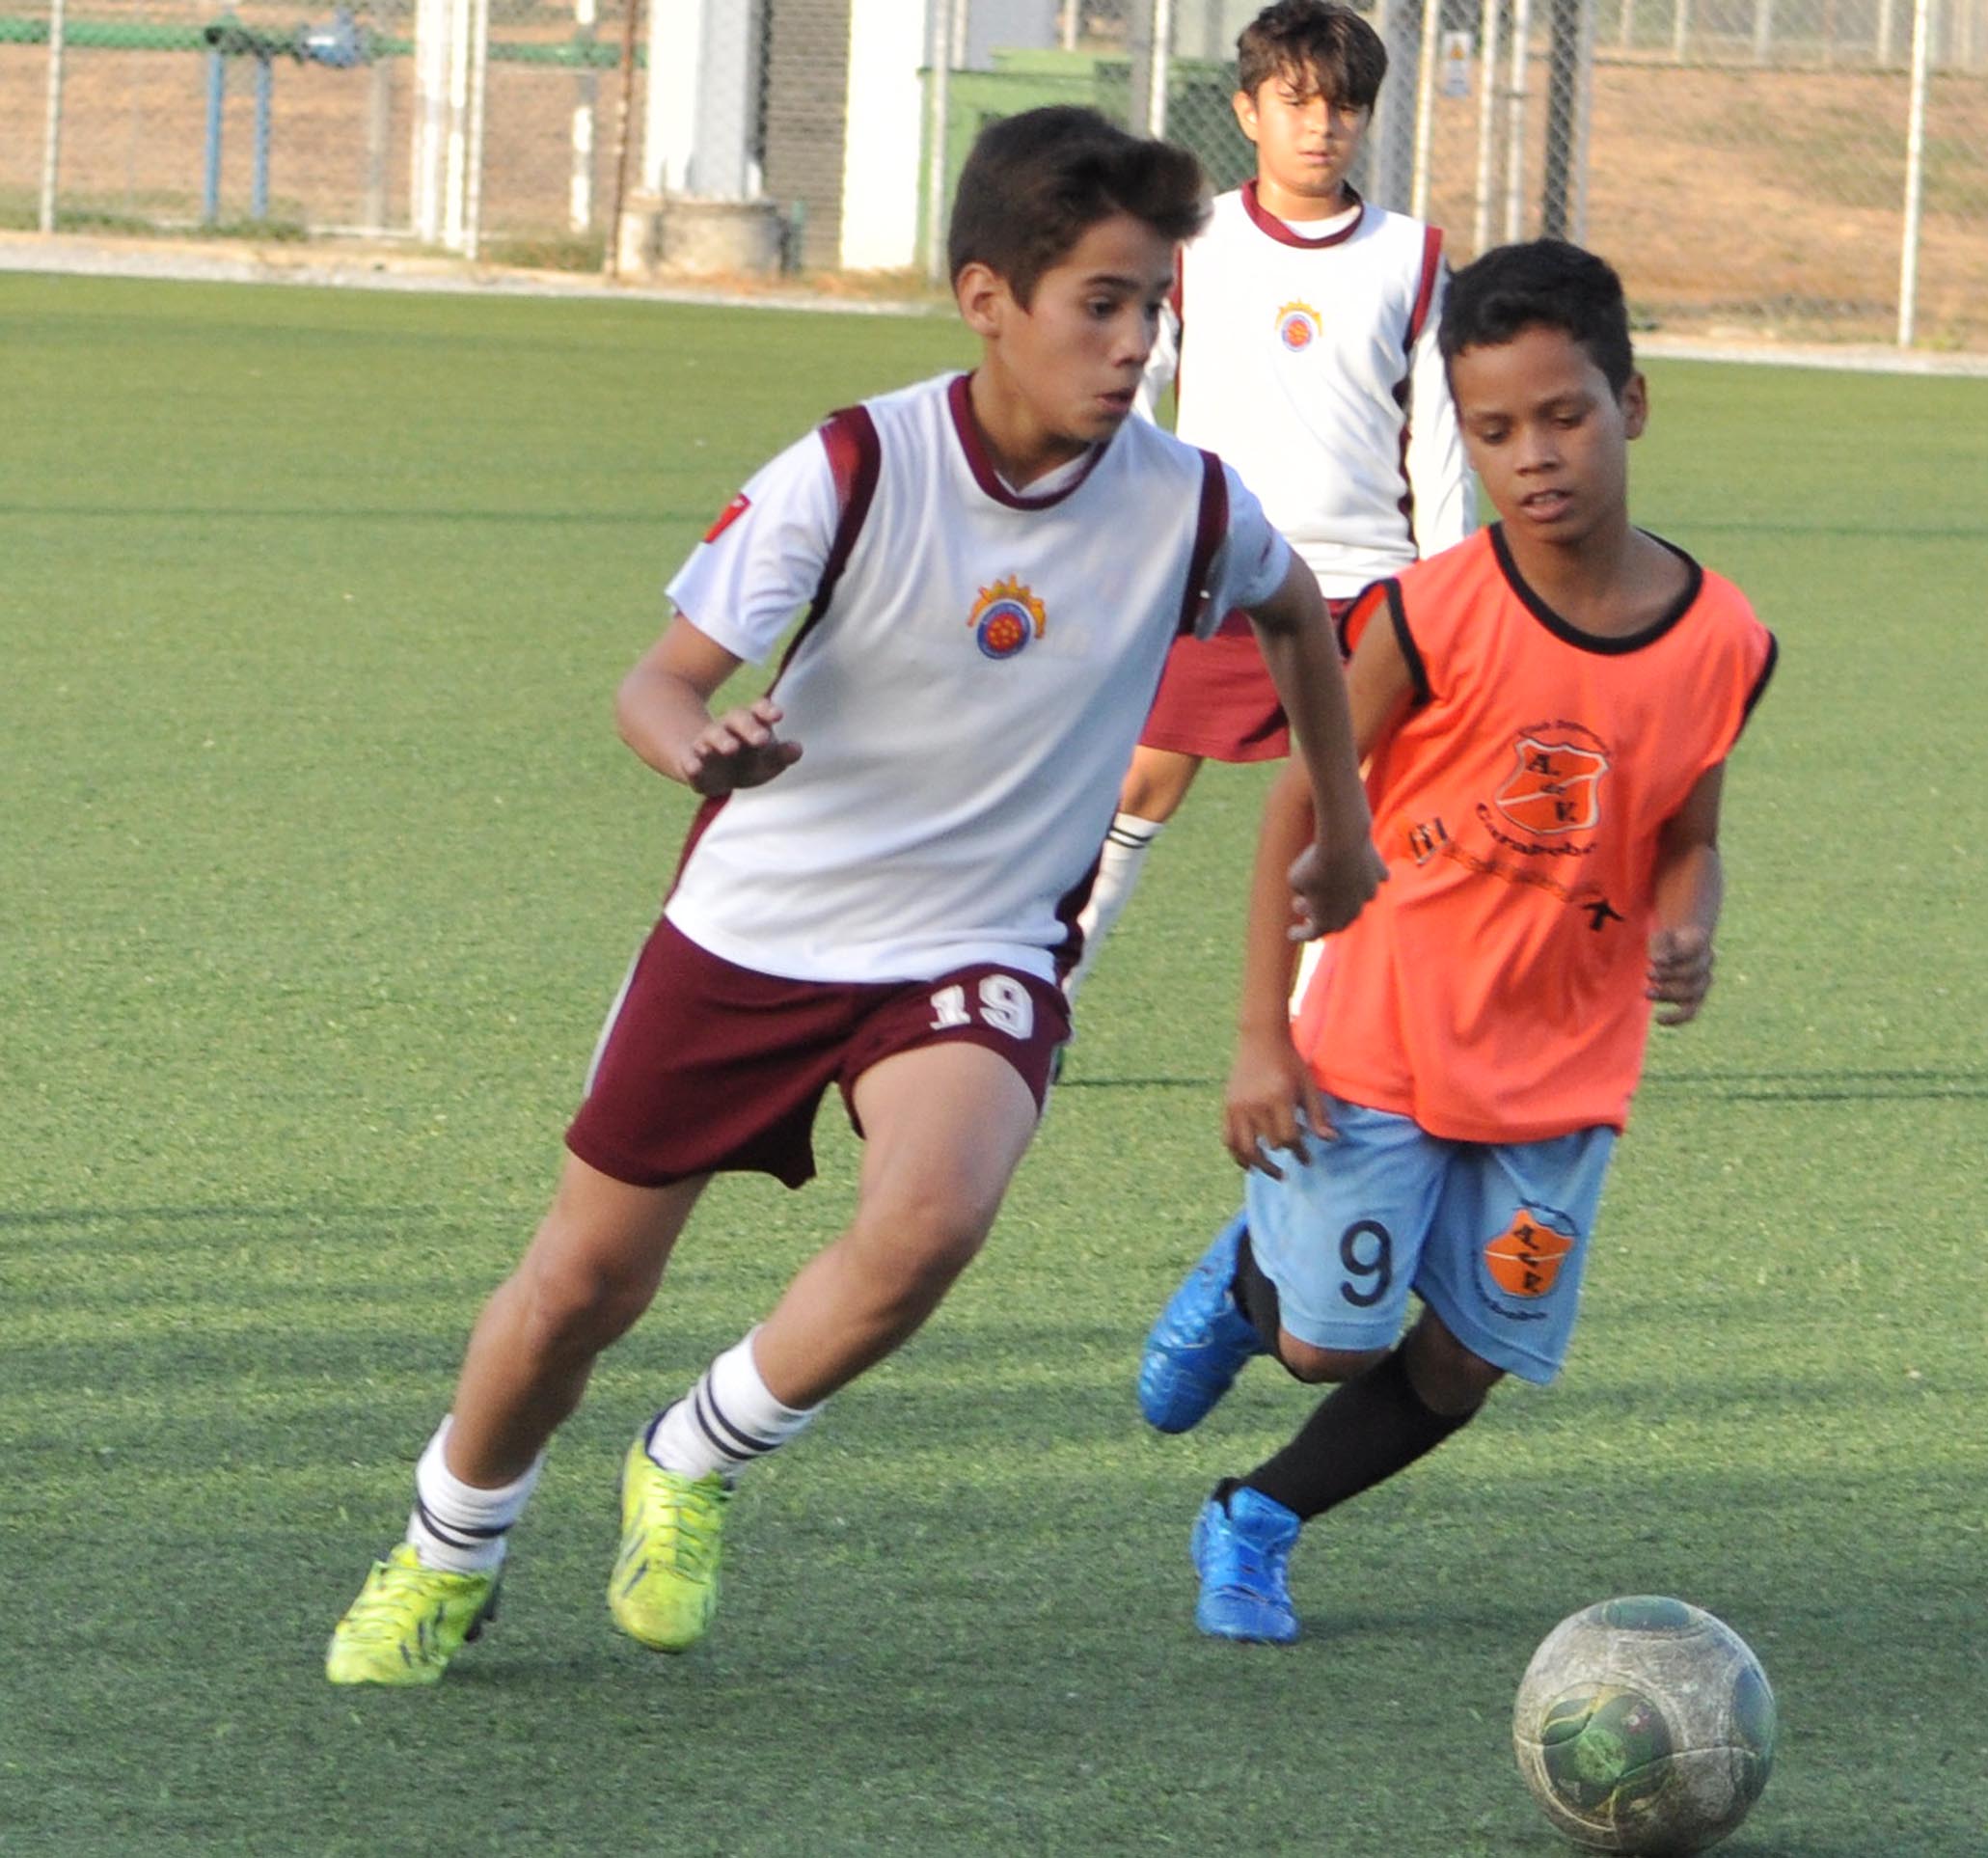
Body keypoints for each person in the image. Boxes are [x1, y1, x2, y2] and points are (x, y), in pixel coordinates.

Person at [322, 105, 1382, 1686]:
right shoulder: (852, 464)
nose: (1135, 345)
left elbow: (1304, 620)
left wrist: (1343, 828)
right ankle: (446, 1549)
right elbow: (656, 681)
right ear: (987, 298)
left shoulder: (1189, 504)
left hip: (980, 941)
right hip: (753, 932)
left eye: (1157, 308)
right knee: (579, 1289)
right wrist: (704, 747)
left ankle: (692, 1456)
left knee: (936, 1214)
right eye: (1101, 302)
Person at [1133, 240, 1780, 1643]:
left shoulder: (1726, 636)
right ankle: (1250, 1283)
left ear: (1633, 402)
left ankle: (1254, 1518)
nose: (1533, 455)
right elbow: (1305, 795)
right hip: (1388, 1032)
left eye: (1565, 415)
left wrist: (1692, 925)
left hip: (1566, 1070)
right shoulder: (1435, 615)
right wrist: (1261, 1035)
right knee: (1330, 1341)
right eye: (1494, 431)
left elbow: (1689, 832)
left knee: (1469, 1357)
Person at [1062, 0, 1471, 1012]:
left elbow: (1444, 433)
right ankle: (1044, 996)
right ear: (1247, 112)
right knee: (1138, 787)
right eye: (1294, 103)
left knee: (1360, 814)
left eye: (1341, 107)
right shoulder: (1192, 245)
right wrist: (1114, 524)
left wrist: (1451, 590)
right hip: (1221, 575)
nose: (1319, 126)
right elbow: (1131, 385)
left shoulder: (1410, 256)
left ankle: (1316, 1030)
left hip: (1369, 588)